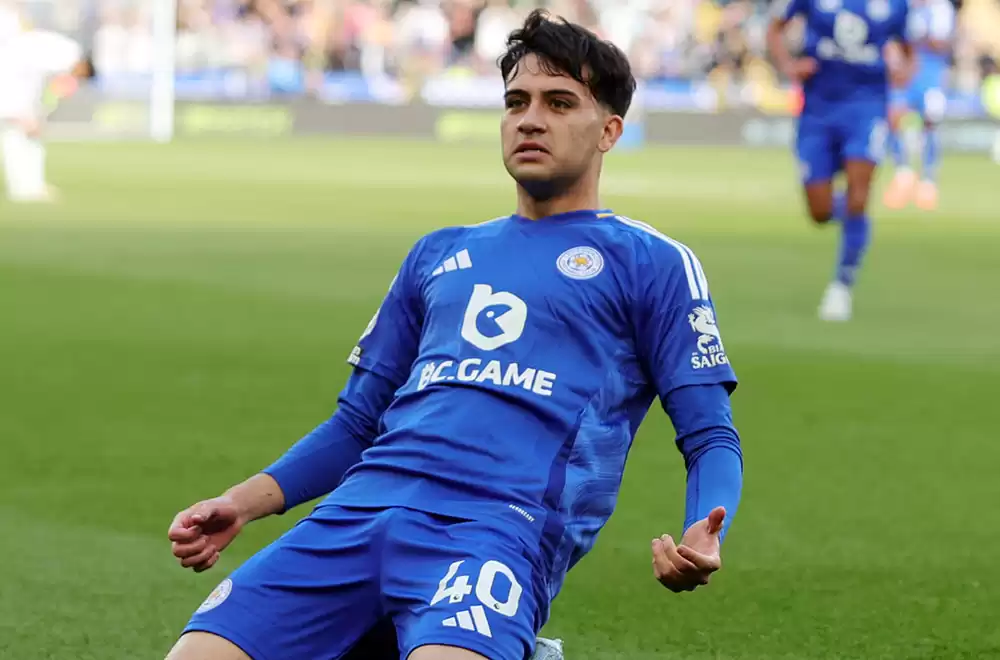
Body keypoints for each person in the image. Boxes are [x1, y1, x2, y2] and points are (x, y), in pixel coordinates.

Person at [165, 10, 744, 660]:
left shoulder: (650, 262)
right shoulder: (438, 254)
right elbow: (356, 424)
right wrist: (241, 503)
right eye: (517, 102)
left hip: (494, 531)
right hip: (354, 516)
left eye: (558, 103)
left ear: (609, 130)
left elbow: (709, 434)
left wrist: (704, 528)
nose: (530, 120)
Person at [767, 0, 915, 322]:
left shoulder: (895, 5)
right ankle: (855, 223)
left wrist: (903, 79)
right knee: (819, 210)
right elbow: (775, 26)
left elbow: (908, 48)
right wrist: (788, 65)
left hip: (867, 107)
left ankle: (841, 286)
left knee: (858, 196)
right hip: (817, 110)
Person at [0, 4, 92, 203]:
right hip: (12, 97)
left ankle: (28, 188)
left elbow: (47, 88)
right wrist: (25, 112)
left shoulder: (36, 46)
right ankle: (27, 189)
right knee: (22, 139)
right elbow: (40, 83)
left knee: (19, 139)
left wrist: (37, 111)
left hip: (17, 98)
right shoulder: (59, 52)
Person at [883, 0, 956, 211]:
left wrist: (917, 38)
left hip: (930, 74)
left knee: (930, 123)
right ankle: (903, 173)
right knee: (893, 118)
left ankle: (928, 181)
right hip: (905, 73)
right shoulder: (903, 5)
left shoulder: (940, 8)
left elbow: (941, 43)